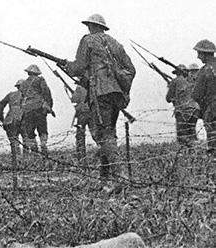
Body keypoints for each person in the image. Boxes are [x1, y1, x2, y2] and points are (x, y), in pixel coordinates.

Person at [63, 14, 135, 193]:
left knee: (103, 135)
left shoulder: (87, 40)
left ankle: (120, 178)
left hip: (99, 93)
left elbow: (79, 67)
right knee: (108, 133)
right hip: (116, 94)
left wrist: (66, 66)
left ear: (90, 26)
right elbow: (131, 70)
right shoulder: (116, 43)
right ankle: (104, 180)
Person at [19, 64, 54, 156]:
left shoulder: (23, 84)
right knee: (42, 129)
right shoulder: (40, 80)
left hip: (27, 110)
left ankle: (34, 151)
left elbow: (21, 97)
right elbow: (46, 93)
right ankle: (44, 148)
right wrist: (49, 106)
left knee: (30, 131)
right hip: (39, 108)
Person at [192, 39, 216, 158]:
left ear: (205, 54)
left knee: (213, 139)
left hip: (212, 108)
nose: (198, 57)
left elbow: (196, 94)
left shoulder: (205, 70)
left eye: (199, 53)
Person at [166, 64, 199, 146]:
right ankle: (194, 152)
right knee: (192, 133)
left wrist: (170, 87)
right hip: (195, 110)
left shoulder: (175, 81)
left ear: (176, 73)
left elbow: (168, 98)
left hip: (183, 110)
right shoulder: (191, 81)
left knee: (182, 136)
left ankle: (184, 153)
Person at [0, 79, 25, 164]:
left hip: (9, 121)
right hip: (23, 120)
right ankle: (25, 162)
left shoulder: (11, 95)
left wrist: (2, 118)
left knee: (14, 142)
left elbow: (1, 105)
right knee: (27, 141)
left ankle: (16, 162)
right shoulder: (28, 96)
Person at [71, 84, 97, 162]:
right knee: (96, 134)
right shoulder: (94, 85)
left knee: (80, 136)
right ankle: (102, 151)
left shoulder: (79, 87)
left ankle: (81, 156)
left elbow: (74, 99)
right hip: (93, 112)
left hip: (82, 114)